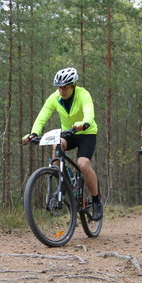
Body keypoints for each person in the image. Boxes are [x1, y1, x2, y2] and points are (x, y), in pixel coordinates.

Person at [22, 67, 103, 221]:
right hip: (68, 133)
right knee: (56, 145)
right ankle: (63, 176)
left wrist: (85, 123)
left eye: (65, 87)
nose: (62, 90)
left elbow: (89, 111)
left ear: (73, 85)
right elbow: (42, 116)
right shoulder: (54, 98)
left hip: (86, 132)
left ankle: (96, 201)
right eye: (59, 87)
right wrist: (34, 133)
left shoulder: (83, 94)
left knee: (83, 165)